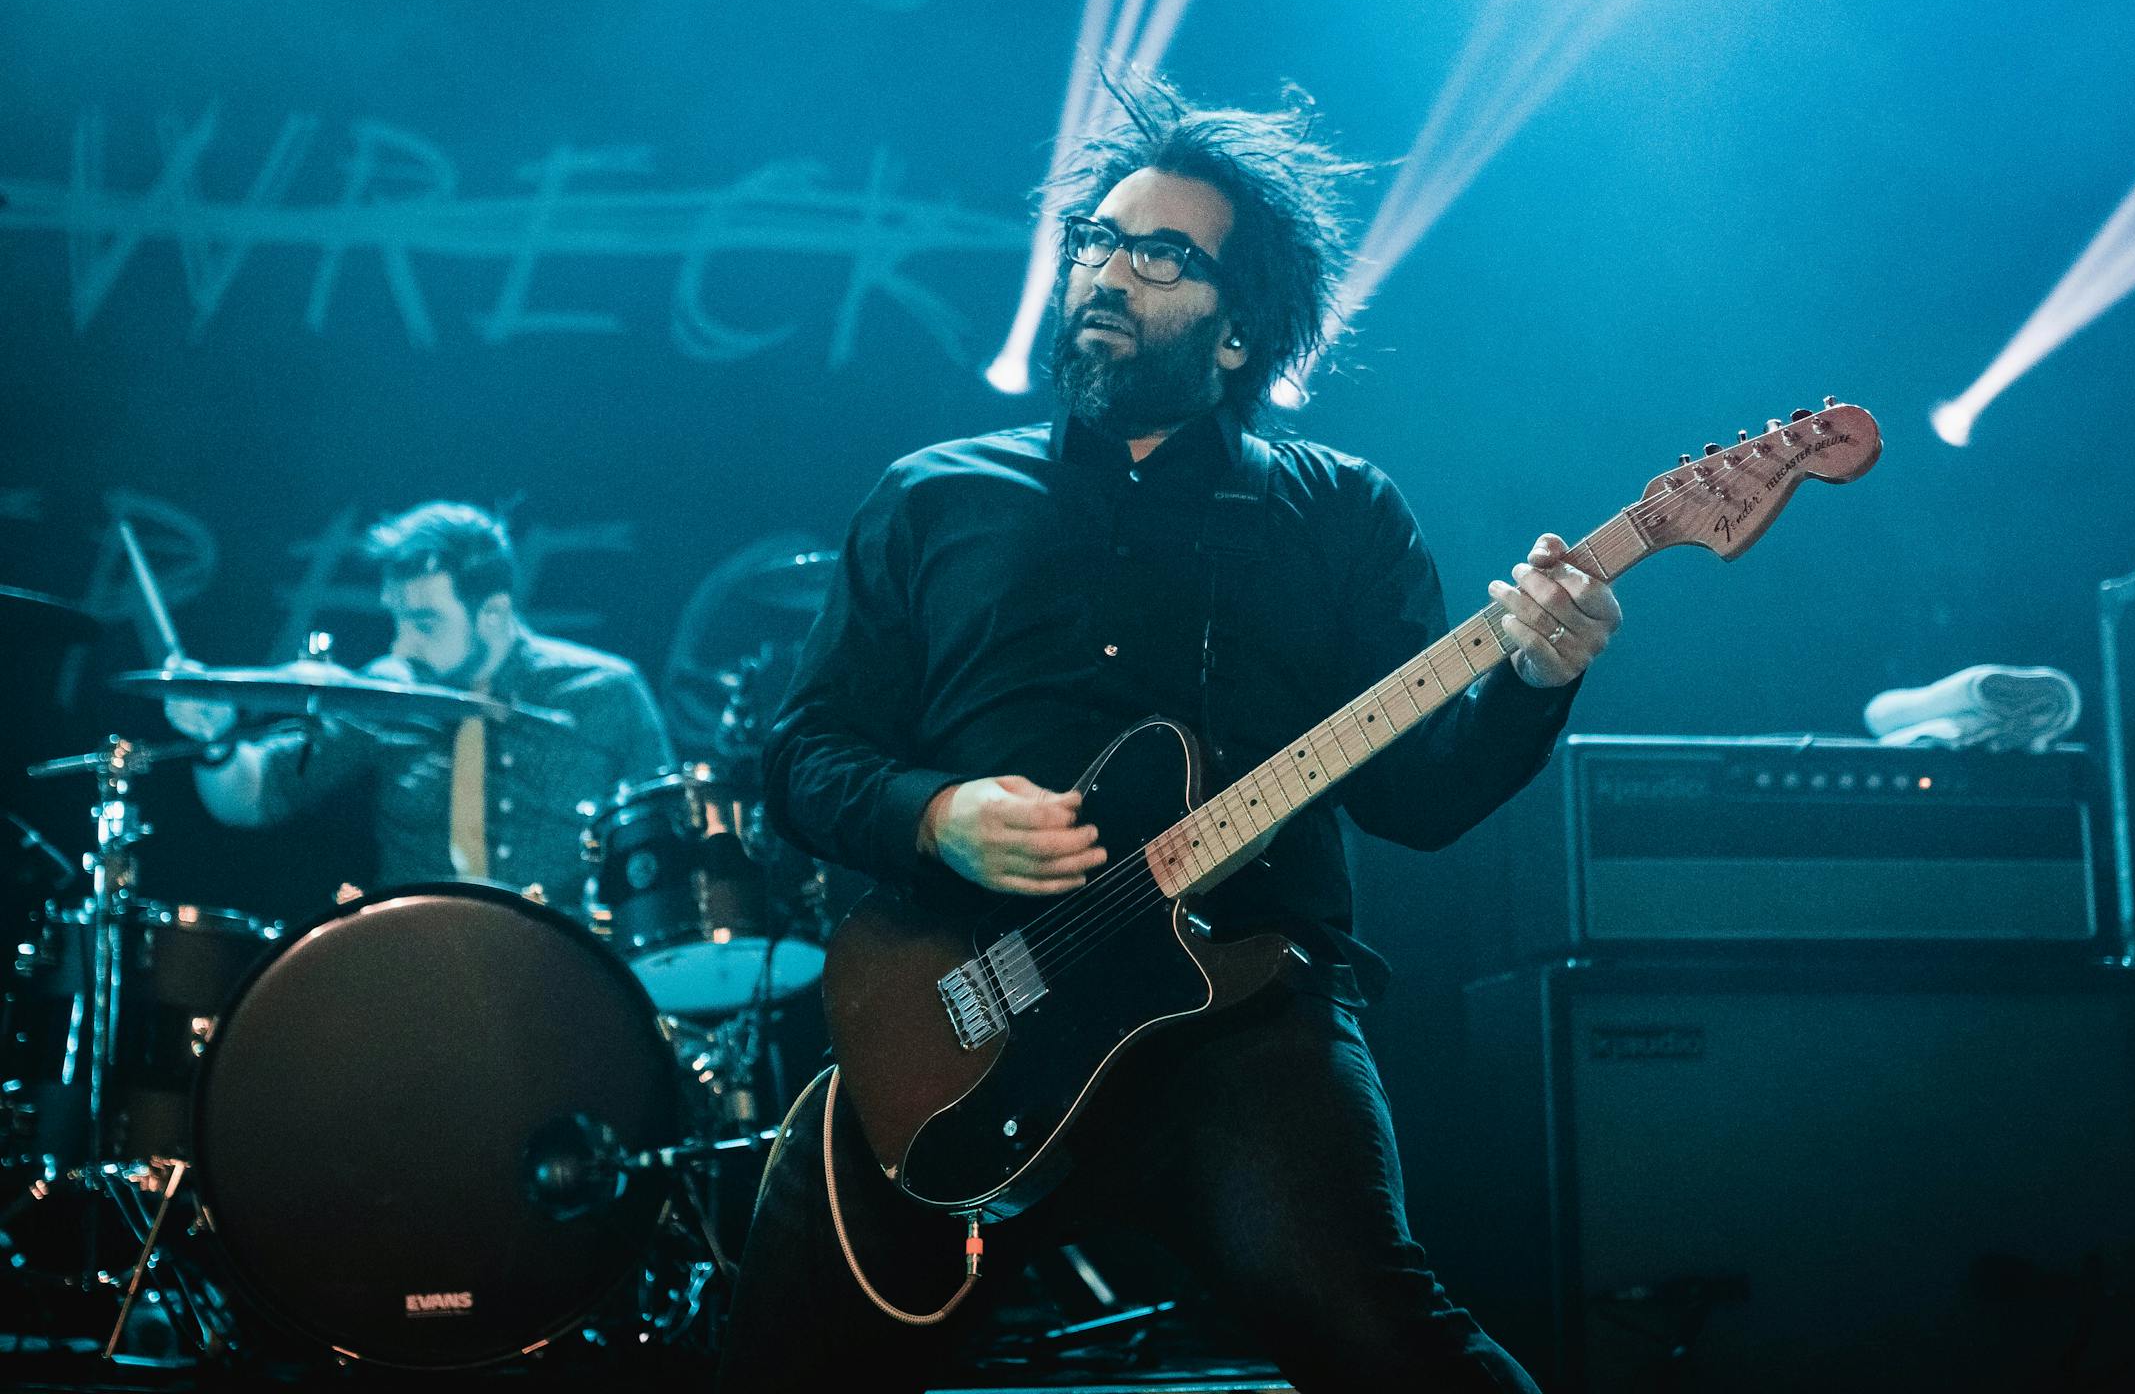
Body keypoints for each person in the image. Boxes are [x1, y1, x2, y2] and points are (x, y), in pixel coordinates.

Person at [721, 77, 1621, 1393]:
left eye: (1159, 254)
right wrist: (935, 815)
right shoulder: (931, 500)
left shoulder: (1341, 517)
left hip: (1239, 1016)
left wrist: (1536, 679)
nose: (1104, 268)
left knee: (1385, 1338)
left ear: (1241, 328)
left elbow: (1419, 801)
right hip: (958, 1008)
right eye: (1094, 238)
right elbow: (802, 758)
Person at [167, 501, 673, 907]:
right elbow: (252, 798)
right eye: (398, 619)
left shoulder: (606, 691)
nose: (401, 645)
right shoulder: (388, 690)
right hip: (413, 967)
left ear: (493, 612)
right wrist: (214, 740)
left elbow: (666, 847)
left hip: (562, 971)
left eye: (425, 623)